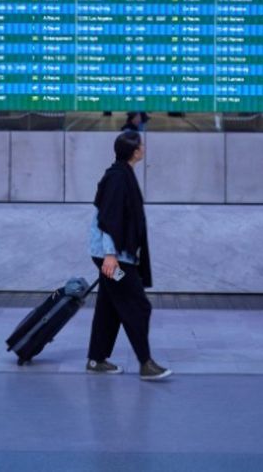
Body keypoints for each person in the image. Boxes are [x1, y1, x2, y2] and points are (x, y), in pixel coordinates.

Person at [87, 131, 170, 380]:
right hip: (113, 257)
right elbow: (108, 219)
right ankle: (146, 363)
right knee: (138, 305)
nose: (143, 148)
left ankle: (96, 359)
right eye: (141, 145)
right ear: (134, 151)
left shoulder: (123, 174)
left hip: (116, 255)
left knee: (109, 307)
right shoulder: (117, 178)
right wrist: (110, 255)